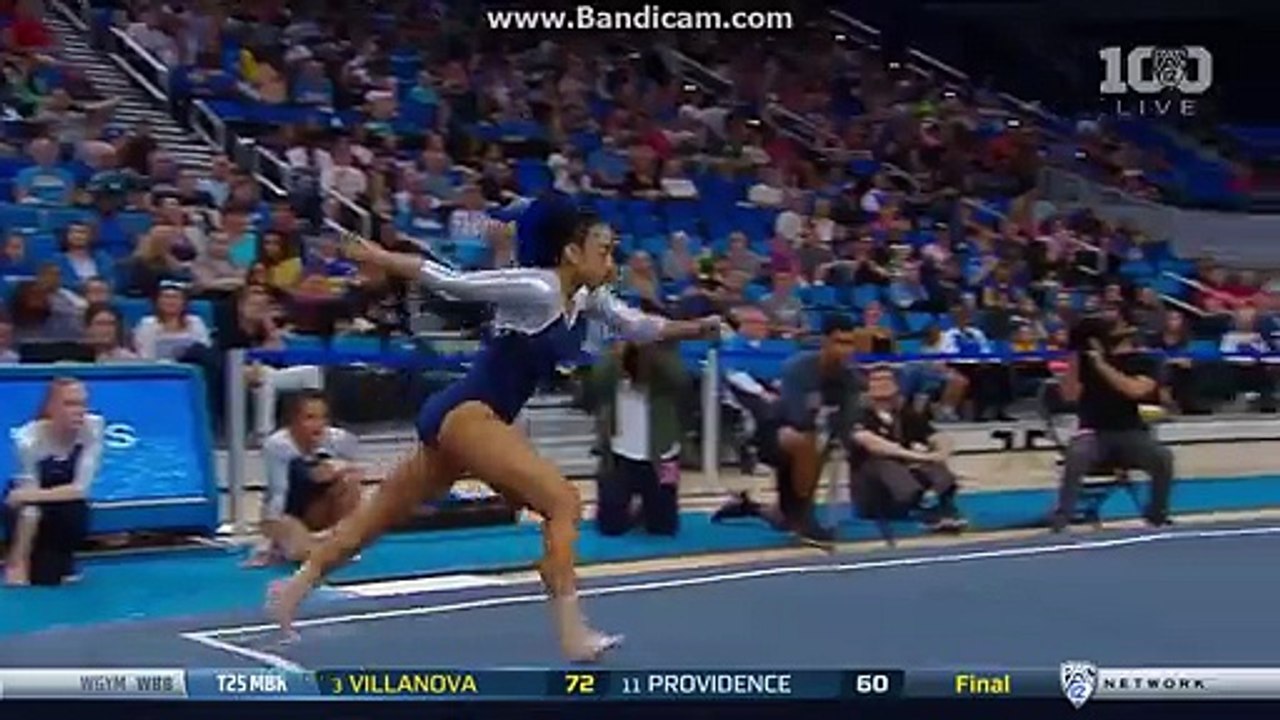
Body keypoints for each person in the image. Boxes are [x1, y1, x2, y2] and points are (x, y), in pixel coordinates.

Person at [266, 196, 722, 661]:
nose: (611, 260)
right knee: (562, 501)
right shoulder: (538, 287)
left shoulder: (586, 298)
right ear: (570, 253)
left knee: (372, 521)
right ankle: (571, 633)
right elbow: (451, 281)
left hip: (469, 424)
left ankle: (290, 591)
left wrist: (697, 328)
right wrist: (377, 256)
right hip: (467, 414)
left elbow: (641, 327)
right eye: (602, 250)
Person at [711, 314, 862, 545]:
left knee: (785, 519)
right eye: (840, 342)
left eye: (850, 343)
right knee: (805, 441)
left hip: (812, 439)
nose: (846, 350)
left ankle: (752, 507)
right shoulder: (798, 368)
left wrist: (838, 436)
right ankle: (806, 517)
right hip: (773, 433)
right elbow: (796, 417)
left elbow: (848, 419)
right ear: (825, 342)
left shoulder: (849, 378)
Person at [1053, 320, 1174, 532]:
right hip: (1095, 432)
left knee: (1162, 457)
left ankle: (1157, 515)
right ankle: (1062, 519)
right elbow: (1069, 395)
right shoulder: (1087, 362)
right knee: (1077, 453)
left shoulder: (1144, 361)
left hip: (1130, 432)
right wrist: (1075, 358)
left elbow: (1134, 390)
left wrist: (1102, 365)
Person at [581, 332, 688, 537]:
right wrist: (616, 356)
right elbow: (595, 384)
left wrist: (652, 353)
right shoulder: (613, 374)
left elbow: (680, 379)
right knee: (610, 527)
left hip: (663, 457)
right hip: (619, 456)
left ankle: (646, 510)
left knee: (663, 528)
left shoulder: (666, 376)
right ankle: (627, 509)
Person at [4, 378, 103, 586]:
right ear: (51, 408)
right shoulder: (28, 440)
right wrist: (18, 560)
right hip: (28, 511)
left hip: (59, 502)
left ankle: (64, 558)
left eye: (82, 404)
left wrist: (27, 495)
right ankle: (16, 560)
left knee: (76, 511)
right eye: (70, 404)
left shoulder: (93, 427)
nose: (79, 411)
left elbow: (80, 489)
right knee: (37, 574)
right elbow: (28, 505)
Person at [247, 391, 362, 566]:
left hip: (319, 510)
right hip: (289, 514)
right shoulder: (277, 446)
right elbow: (278, 494)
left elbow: (357, 472)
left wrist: (339, 468)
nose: (318, 425)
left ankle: (341, 541)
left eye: (323, 418)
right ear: (292, 422)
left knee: (350, 482)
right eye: (309, 418)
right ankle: (301, 545)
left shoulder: (340, 439)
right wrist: (268, 539)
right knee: (304, 554)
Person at [850, 365, 966, 531]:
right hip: (872, 491)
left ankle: (939, 503)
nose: (881, 384)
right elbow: (875, 445)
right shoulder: (856, 414)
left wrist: (941, 452)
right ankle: (921, 505)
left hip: (903, 479)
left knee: (932, 464)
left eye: (886, 380)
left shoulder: (904, 413)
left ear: (896, 385)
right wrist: (919, 457)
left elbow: (936, 436)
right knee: (884, 462)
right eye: (876, 380)